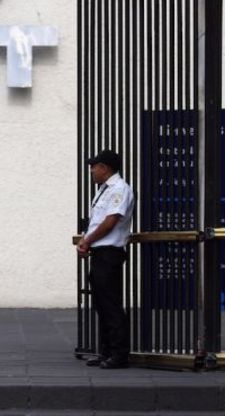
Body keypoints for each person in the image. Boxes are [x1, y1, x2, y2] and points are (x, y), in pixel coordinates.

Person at [77, 150, 134, 369]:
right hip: (100, 253)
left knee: (111, 304)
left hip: (110, 253)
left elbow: (110, 222)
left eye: (94, 166)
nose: (92, 170)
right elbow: (97, 221)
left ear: (105, 168)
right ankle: (106, 351)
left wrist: (87, 240)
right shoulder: (104, 190)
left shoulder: (119, 189)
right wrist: (87, 241)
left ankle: (119, 354)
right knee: (101, 304)